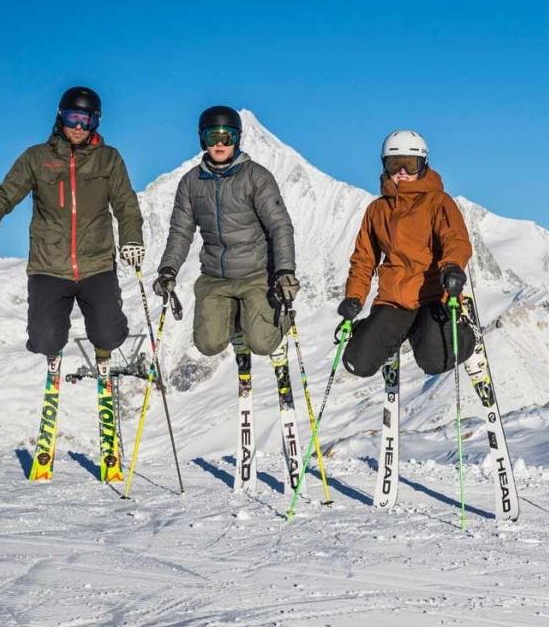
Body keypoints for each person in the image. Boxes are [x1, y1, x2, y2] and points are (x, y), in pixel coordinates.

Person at [0, 86, 144, 480]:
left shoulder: (109, 159)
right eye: (72, 118)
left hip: (97, 264)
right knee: (45, 338)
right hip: (49, 266)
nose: (78, 126)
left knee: (109, 333)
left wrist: (132, 238)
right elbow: (6, 195)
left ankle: (104, 353)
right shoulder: (37, 158)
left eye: (86, 119)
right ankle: (53, 354)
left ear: (96, 122)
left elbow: (126, 205)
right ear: (60, 117)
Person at [154, 106, 302, 487]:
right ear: (202, 140)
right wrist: (168, 269)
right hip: (215, 278)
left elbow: (280, 226)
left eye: (227, 137)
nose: (219, 144)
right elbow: (180, 231)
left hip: (256, 274)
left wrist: (284, 272)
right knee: (207, 343)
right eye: (212, 137)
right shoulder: (191, 183)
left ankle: (275, 324)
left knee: (264, 343)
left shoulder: (256, 177)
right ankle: (238, 324)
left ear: (237, 139)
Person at [338, 130, 475, 377]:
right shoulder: (377, 209)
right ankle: (385, 339)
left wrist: (452, 266)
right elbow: (364, 259)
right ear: (385, 165)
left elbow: (455, 239)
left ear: (423, 165)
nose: (402, 172)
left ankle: (466, 331)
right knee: (357, 363)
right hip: (394, 300)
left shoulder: (438, 202)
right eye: (395, 164)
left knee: (436, 361)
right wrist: (354, 297)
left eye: (410, 165)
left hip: (433, 295)